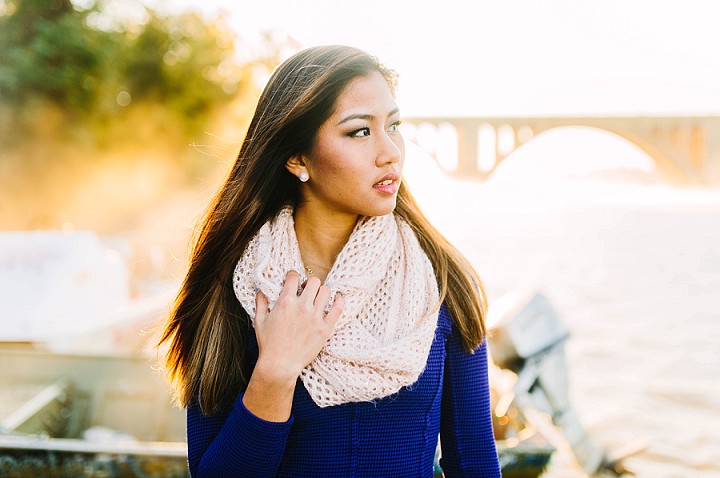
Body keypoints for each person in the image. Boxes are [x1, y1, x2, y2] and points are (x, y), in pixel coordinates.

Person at [159, 45, 501, 477]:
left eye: (393, 126)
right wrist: (276, 371)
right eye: (360, 132)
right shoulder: (230, 289)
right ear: (297, 157)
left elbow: (474, 463)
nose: (390, 151)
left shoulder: (443, 282)